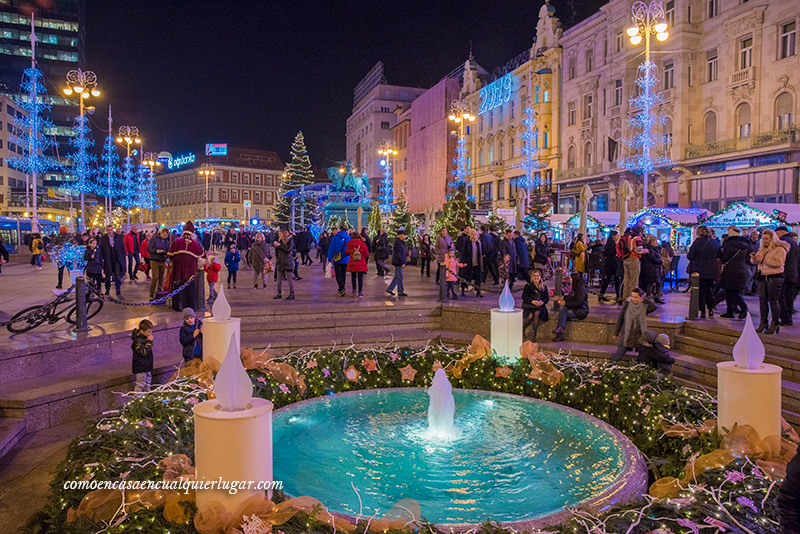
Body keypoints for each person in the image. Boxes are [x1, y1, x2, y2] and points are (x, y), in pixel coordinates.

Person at [751, 228, 789, 334]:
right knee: (762, 301)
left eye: (767, 239)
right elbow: (757, 261)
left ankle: (775, 323)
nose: (765, 241)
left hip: (775, 277)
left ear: (772, 239)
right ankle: (763, 322)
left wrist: (763, 259)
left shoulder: (780, 249)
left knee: (773, 300)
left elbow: (778, 262)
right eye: (763, 239)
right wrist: (754, 259)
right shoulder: (762, 248)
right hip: (763, 276)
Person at [167, 221, 205, 311]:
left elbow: (170, 254)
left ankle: (178, 304)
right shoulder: (195, 244)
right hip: (190, 270)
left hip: (178, 269)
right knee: (190, 286)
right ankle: (190, 305)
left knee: (178, 285)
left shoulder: (177, 241)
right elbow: (202, 255)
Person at [687, 225, 722, 318]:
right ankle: (710, 309)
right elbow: (720, 255)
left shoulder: (697, 243)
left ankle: (702, 310)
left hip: (699, 270)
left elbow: (690, 256)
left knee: (700, 291)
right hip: (711, 269)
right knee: (709, 290)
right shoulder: (715, 243)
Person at [718, 226, 751, 319]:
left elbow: (725, 257)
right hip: (742, 269)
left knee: (731, 291)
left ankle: (742, 309)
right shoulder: (745, 243)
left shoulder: (729, 243)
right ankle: (731, 311)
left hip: (731, 269)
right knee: (733, 291)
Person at [611, 287, 651, 362]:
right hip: (626, 336)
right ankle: (608, 368)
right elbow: (620, 319)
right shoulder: (627, 306)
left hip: (638, 336)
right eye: (632, 297)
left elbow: (653, 307)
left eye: (636, 297)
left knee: (642, 357)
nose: (634, 299)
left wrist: (644, 300)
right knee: (618, 356)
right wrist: (616, 333)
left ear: (641, 297)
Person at [552, 272, 589, 342]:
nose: (569, 280)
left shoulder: (581, 289)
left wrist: (565, 303)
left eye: (570, 278)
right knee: (563, 309)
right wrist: (562, 298)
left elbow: (578, 302)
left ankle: (559, 333)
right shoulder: (576, 286)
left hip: (581, 311)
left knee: (563, 312)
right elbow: (571, 297)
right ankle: (560, 330)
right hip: (575, 309)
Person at [775, 226, 799, 326]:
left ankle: (785, 318)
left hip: (784, 272)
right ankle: (789, 317)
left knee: (780, 295)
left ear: (781, 232)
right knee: (789, 296)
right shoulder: (794, 242)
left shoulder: (783, 242)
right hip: (793, 273)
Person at [522, 269, 549, 341]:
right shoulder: (528, 286)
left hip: (539, 306)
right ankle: (522, 330)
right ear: (532, 277)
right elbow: (524, 297)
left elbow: (546, 298)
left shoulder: (544, 287)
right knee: (530, 316)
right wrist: (532, 301)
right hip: (530, 305)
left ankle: (534, 333)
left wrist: (542, 302)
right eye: (534, 276)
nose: (536, 277)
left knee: (537, 313)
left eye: (537, 276)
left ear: (540, 277)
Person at [619, 227, 644, 300]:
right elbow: (639, 250)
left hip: (626, 259)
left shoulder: (627, 236)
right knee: (634, 282)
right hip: (634, 259)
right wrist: (645, 250)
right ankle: (632, 300)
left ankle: (625, 299)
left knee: (626, 281)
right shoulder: (636, 237)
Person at [100, 225, 126, 296]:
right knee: (108, 276)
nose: (110, 231)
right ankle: (107, 290)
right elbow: (101, 249)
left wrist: (123, 256)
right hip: (108, 259)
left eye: (111, 230)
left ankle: (118, 289)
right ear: (106, 230)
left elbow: (122, 247)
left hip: (117, 259)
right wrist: (102, 258)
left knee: (117, 275)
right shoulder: (103, 238)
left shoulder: (118, 237)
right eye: (108, 230)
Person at [131, 319, 154, 393]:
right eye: (148, 332)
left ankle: (148, 399)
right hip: (140, 366)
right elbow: (143, 352)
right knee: (140, 384)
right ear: (141, 331)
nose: (150, 334)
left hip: (147, 365)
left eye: (151, 331)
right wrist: (149, 342)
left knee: (147, 383)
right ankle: (137, 400)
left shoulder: (145, 338)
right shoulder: (138, 341)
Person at [147, 228, 171, 301]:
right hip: (154, 260)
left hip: (162, 260)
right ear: (161, 233)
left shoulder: (166, 241)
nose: (165, 236)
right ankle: (151, 294)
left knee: (161, 278)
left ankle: (159, 292)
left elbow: (167, 250)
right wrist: (155, 251)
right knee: (155, 277)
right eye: (164, 235)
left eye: (167, 235)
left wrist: (166, 253)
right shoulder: (154, 239)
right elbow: (148, 249)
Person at [327, 224, 351, 296]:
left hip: (337, 258)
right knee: (343, 274)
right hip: (345, 258)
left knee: (338, 274)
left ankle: (341, 288)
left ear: (339, 229)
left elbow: (332, 248)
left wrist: (329, 258)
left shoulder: (335, 237)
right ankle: (342, 288)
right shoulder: (348, 238)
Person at [640, 234, 664, 303]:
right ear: (652, 241)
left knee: (655, 283)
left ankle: (655, 297)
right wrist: (660, 261)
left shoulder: (653, 248)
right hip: (652, 268)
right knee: (651, 283)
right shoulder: (651, 249)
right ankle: (652, 298)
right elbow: (652, 258)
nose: (656, 242)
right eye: (655, 241)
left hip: (653, 268)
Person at [459, 229, 484, 297]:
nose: (474, 236)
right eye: (473, 234)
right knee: (466, 277)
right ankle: (463, 290)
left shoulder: (478, 243)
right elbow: (464, 253)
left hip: (477, 263)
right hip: (469, 263)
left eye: (475, 234)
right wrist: (463, 262)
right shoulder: (467, 242)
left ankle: (478, 291)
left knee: (477, 278)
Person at [599, 231, 622, 303]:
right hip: (611, 264)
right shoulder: (612, 244)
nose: (618, 237)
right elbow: (612, 253)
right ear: (613, 236)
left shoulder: (609, 243)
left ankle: (601, 295)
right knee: (615, 279)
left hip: (609, 264)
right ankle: (618, 296)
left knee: (608, 280)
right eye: (617, 236)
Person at [344, 230, 369, 298]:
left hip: (353, 262)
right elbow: (366, 253)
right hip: (361, 262)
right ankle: (360, 292)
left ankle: (354, 290)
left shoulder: (350, 244)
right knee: (360, 277)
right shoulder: (363, 244)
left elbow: (346, 252)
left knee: (353, 277)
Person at [274, 228, 296, 300]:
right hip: (280, 262)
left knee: (289, 278)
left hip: (287, 262)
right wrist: (276, 246)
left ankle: (292, 293)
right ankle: (279, 293)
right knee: (279, 279)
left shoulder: (290, 241)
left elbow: (287, 250)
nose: (279, 235)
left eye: (280, 234)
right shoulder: (279, 241)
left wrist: (279, 245)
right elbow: (277, 252)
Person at [386, 227, 408, 297]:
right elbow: (398, 254)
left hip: (399, 262)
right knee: (400, 277)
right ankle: (400, 291)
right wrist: (402, 262)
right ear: (400, 235)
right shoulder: (398, 243)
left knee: (397, 277)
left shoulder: (401, 242)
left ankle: (390, 289)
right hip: (398, 262)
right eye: (404, 235)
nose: (405, 236)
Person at [435, 228, 453, 301]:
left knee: (446, 268)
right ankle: (438, 279)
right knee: (440, 268)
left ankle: (445, 279)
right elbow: (436, 246)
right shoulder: (439, 238)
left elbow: (451, 244)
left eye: (445, 231)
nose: (444, 232)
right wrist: (439, 253)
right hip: (441, 255)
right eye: (443, 231)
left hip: (447, 255)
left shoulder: (449, 238)